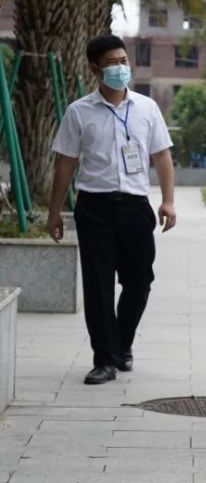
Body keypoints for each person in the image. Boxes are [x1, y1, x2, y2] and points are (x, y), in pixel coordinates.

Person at [47, 35, 176, 385]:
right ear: (95, 69)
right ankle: (104, 359)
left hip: (135, 207)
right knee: (99, 285)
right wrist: (55, 211)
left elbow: (162, 154)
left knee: (140, 281)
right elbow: (66, 163)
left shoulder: (147, 108)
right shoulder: (79, 112)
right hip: (95, 208)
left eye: (123, 60)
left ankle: (122, 342)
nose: (121, 67)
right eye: (112, 62)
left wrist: (168, 200)